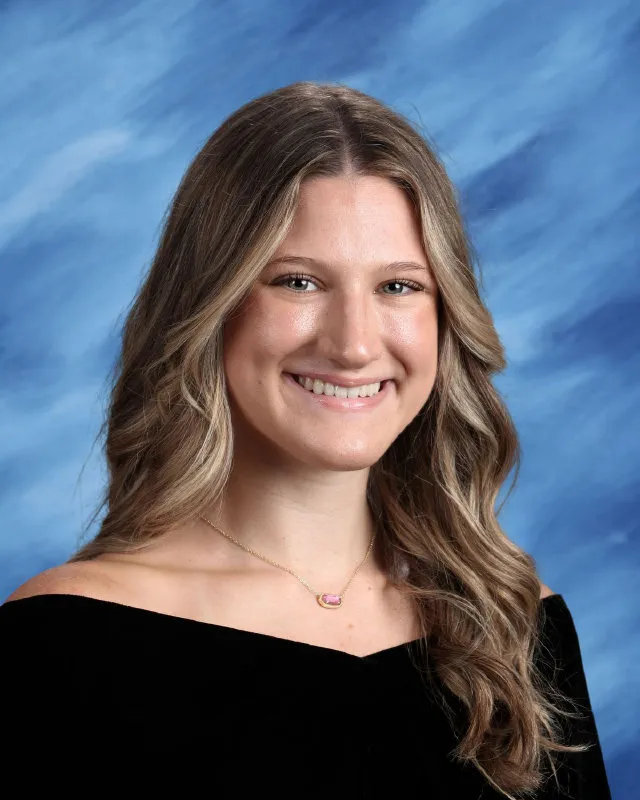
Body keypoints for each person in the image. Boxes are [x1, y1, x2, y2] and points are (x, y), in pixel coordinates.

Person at [0, 81, 611, 798]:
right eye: (297, 282)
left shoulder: (512, 627)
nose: (354, 345)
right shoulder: (62, 642)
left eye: (399, 287)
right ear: (210, 305)